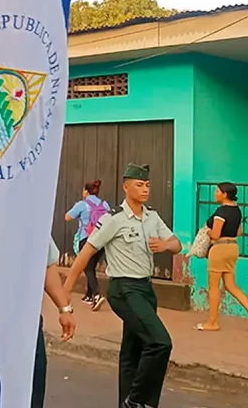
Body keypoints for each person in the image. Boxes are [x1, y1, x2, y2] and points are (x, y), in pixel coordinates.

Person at [64, 163, 182, 408]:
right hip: (124, 289)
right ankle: (138, 400)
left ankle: (126, 403)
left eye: (147, 185)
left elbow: (177, 244)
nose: (145, 189)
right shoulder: (113, 219)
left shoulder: (152, 216)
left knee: (133, 351)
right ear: (126, 187)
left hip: (146, 290)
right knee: (160, 342)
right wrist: (63, 298)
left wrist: (165, 245)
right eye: (139, 185)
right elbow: (85, 255)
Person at [194, 182, 248, 334]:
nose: (215, 193)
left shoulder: (221, 212)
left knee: (214, 286)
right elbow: (239, 231)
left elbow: (215, 234)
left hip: (219, 249)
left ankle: (212, 322)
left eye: (217, 191)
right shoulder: (237, 210)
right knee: (230, 285)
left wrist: (206, 232)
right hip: (233, 248)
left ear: (224, 194)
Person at [30, 238, 76, 408]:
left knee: (33, 385)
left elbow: (47, 265)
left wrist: (64, 309)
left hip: (27, 325)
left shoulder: (32, 220)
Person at [65, 180, 110, 309]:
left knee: (88, 268)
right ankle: (89, 295)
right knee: (92, 266)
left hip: (87, 239)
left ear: (86, 191)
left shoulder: (82, 204)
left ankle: (96, 295)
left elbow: (67, 217)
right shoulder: (104, 204)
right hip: (101, 240)